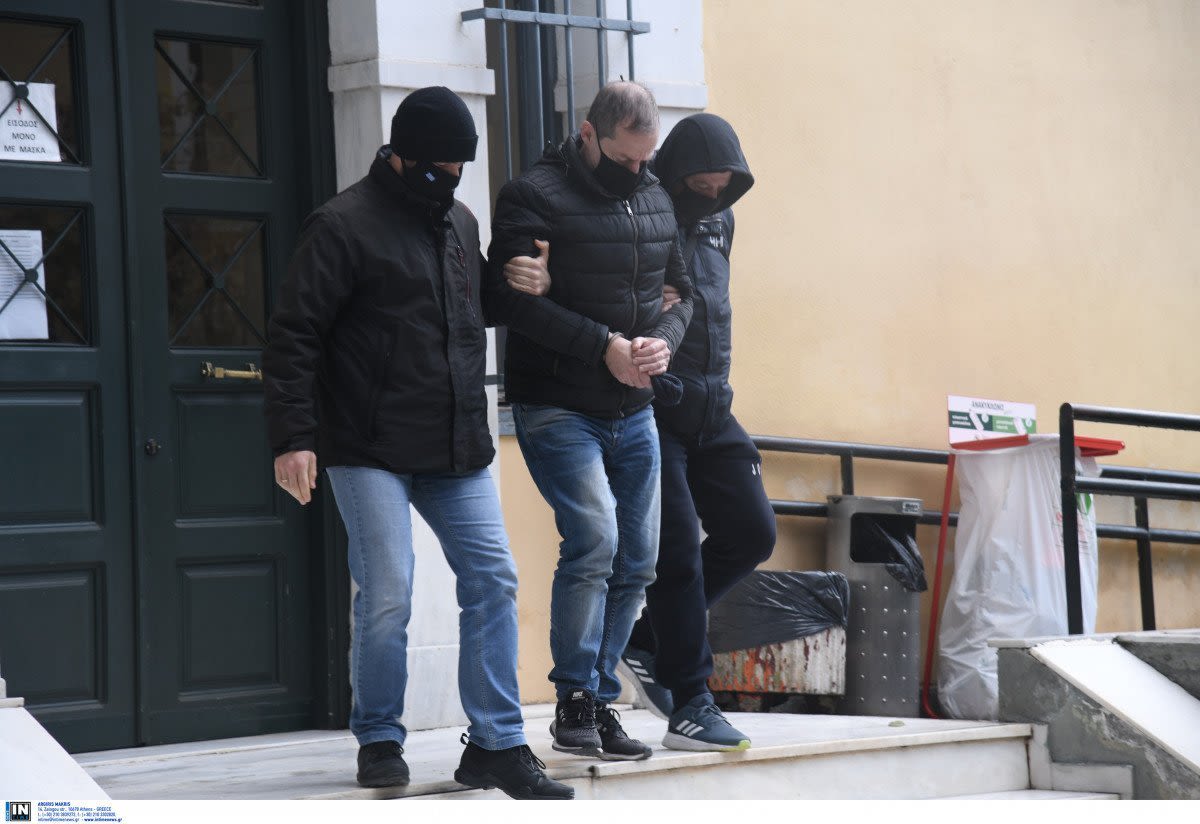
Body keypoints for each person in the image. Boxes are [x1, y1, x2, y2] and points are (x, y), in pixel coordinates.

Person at [262, 86, 572, 800]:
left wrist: (524, 282)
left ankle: (495, 745)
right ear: (403, 156)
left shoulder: (459, 220)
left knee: (494, 579)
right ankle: (379, 736)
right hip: (365, 444)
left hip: (456, 442)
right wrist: (293, 437)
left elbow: (470, 308)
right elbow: (293, 336)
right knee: (389, 592)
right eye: (442, 165)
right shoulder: (340, 226)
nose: (454, 176)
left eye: (462, 164)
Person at [486, 82, 694, 761]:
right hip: (556, 403)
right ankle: (574, 697)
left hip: (634, 408)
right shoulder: (532, 196)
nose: (639, 169)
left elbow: (682, 293)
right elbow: (512, 303)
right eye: (626, 157)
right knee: (596, 539)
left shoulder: (654, 194)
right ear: (587, 134)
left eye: (646, 157)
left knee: (639, 560)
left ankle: (598, 700)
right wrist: (603, 344)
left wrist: (663, 340)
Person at [618, 113, 776, 751]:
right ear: (676, 175)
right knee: (677, 552)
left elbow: (715, 304)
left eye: (722, 188)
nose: (711, 197)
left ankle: (647, 639)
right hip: (655, 407)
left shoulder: (720, 220)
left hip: (713, 404)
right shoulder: (639, 216)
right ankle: (691, 702)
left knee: (753, 532)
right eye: (700, 187)